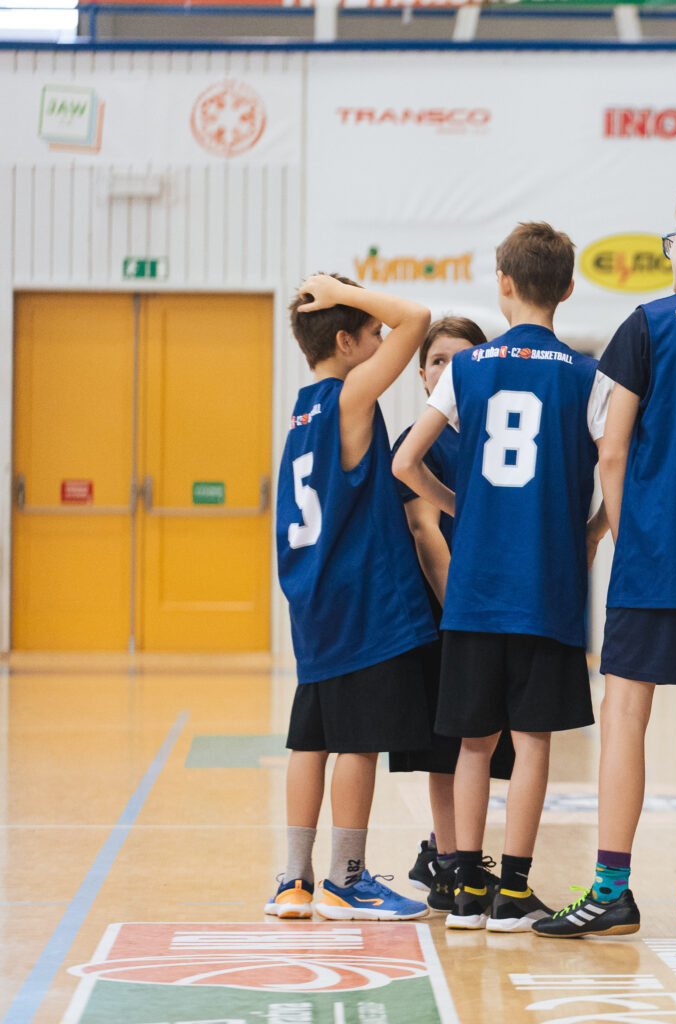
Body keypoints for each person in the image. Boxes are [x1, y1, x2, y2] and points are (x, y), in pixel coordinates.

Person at [533, 183, 676, 940]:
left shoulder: (648, 323)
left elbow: (612, 447)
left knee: (625, 714)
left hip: (656, 549)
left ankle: (612, 889)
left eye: (673, 240)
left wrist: (623, 533)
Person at [393, 222, 606, 931]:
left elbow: (404, 463)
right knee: (534, 740)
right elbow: (617, 468)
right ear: (567, 289)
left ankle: (461, 888)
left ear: (503, 284)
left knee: (473, 742)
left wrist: (463, 505)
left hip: (476, 591)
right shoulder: (586, 374)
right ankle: (513, 891)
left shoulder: (468, 368)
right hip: (549, 587)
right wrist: (594, 531)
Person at [267, 273, 437, 923]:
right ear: (345, 340)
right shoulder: (349, 397)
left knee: (310, 739)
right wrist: (347, 291)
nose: (382, 337)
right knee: (358, 742)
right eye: (372, 332)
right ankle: (346, 879)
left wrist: (345, 300)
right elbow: (416, 317)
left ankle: (294, 879)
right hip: (360, 599)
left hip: (313, 599)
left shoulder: (302, 410)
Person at [390, 317, 515, 914]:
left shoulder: (497, 435)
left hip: (493, 606)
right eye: (438, 361)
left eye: (462, 360)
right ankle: (447, 861)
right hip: (447, 612)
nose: (449, 371)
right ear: (421, 375)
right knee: (450, 745)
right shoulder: (422, 440)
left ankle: (444, 848)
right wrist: (455, 610)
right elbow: (426, 532)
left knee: (484, 742)